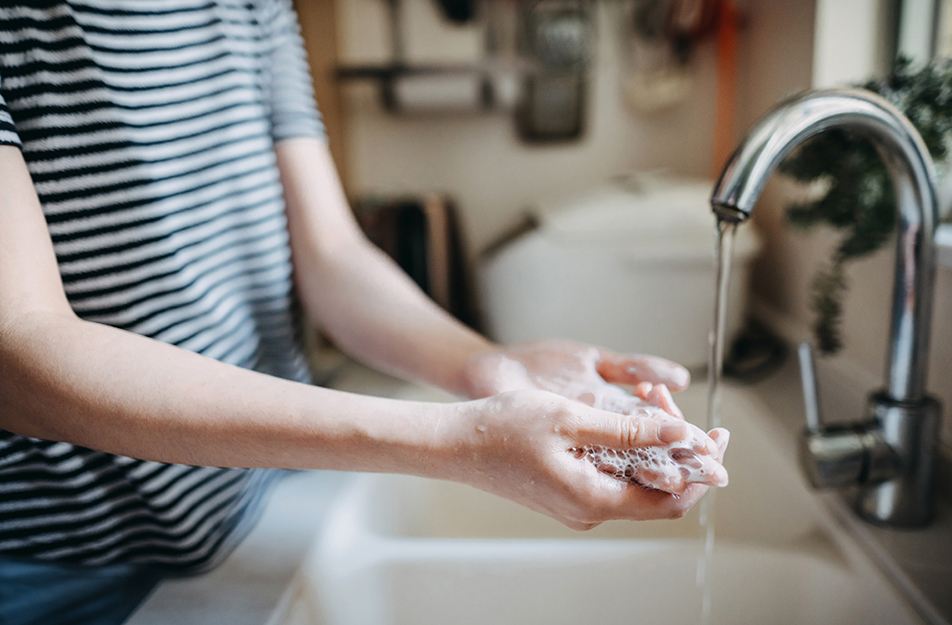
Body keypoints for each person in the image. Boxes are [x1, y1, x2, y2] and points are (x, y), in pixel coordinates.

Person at [0, 2, 727, 624]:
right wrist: (459, 438)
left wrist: (483, 361)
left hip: (254, 501)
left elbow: (334, 255)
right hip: (56, 559)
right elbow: (19, 351)